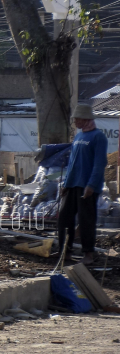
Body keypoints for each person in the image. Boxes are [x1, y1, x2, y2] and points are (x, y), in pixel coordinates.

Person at [59, 103, 108, 266]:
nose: (74, 122)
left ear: (85, 119)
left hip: (87, 186)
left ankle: (88, 252)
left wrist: (91, 185)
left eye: (77, 119)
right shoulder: (79, 137)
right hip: (73, 184)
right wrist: (66, 183)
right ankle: (65, 250)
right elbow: (72, 163)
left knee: (87, 219)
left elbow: (99, 164)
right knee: (64, 218)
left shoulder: (98, 137)